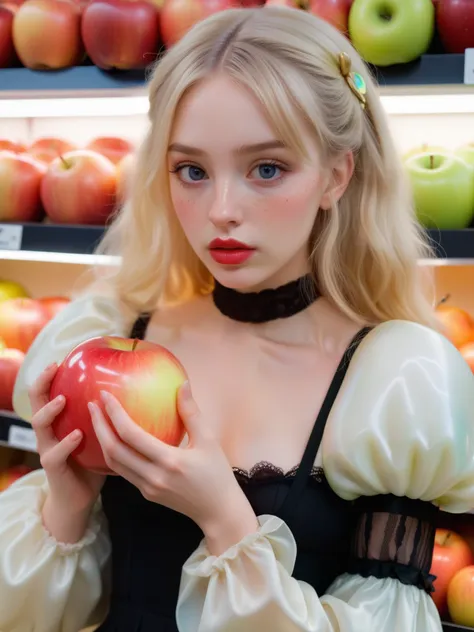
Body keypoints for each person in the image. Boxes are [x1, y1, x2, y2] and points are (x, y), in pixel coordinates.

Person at [1, 6, 474, 632]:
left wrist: (225, 520)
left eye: (267, 169)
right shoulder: (120, 332)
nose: (222, 210)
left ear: (337, 175)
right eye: (191, 171)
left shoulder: (395, 382)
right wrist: (69, 501)